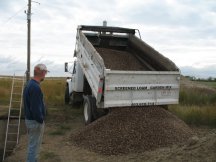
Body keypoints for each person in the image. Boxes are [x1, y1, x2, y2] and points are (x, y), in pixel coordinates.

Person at [23, 63, 49, 162]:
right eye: (45, 72)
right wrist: (41, 119)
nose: (45, 75)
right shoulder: (35, 87)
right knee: (34, 148)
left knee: (33, 146)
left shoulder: (30, 84)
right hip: (35, 122)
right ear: (42, 73)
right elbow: (35, 108)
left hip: (30, 120)